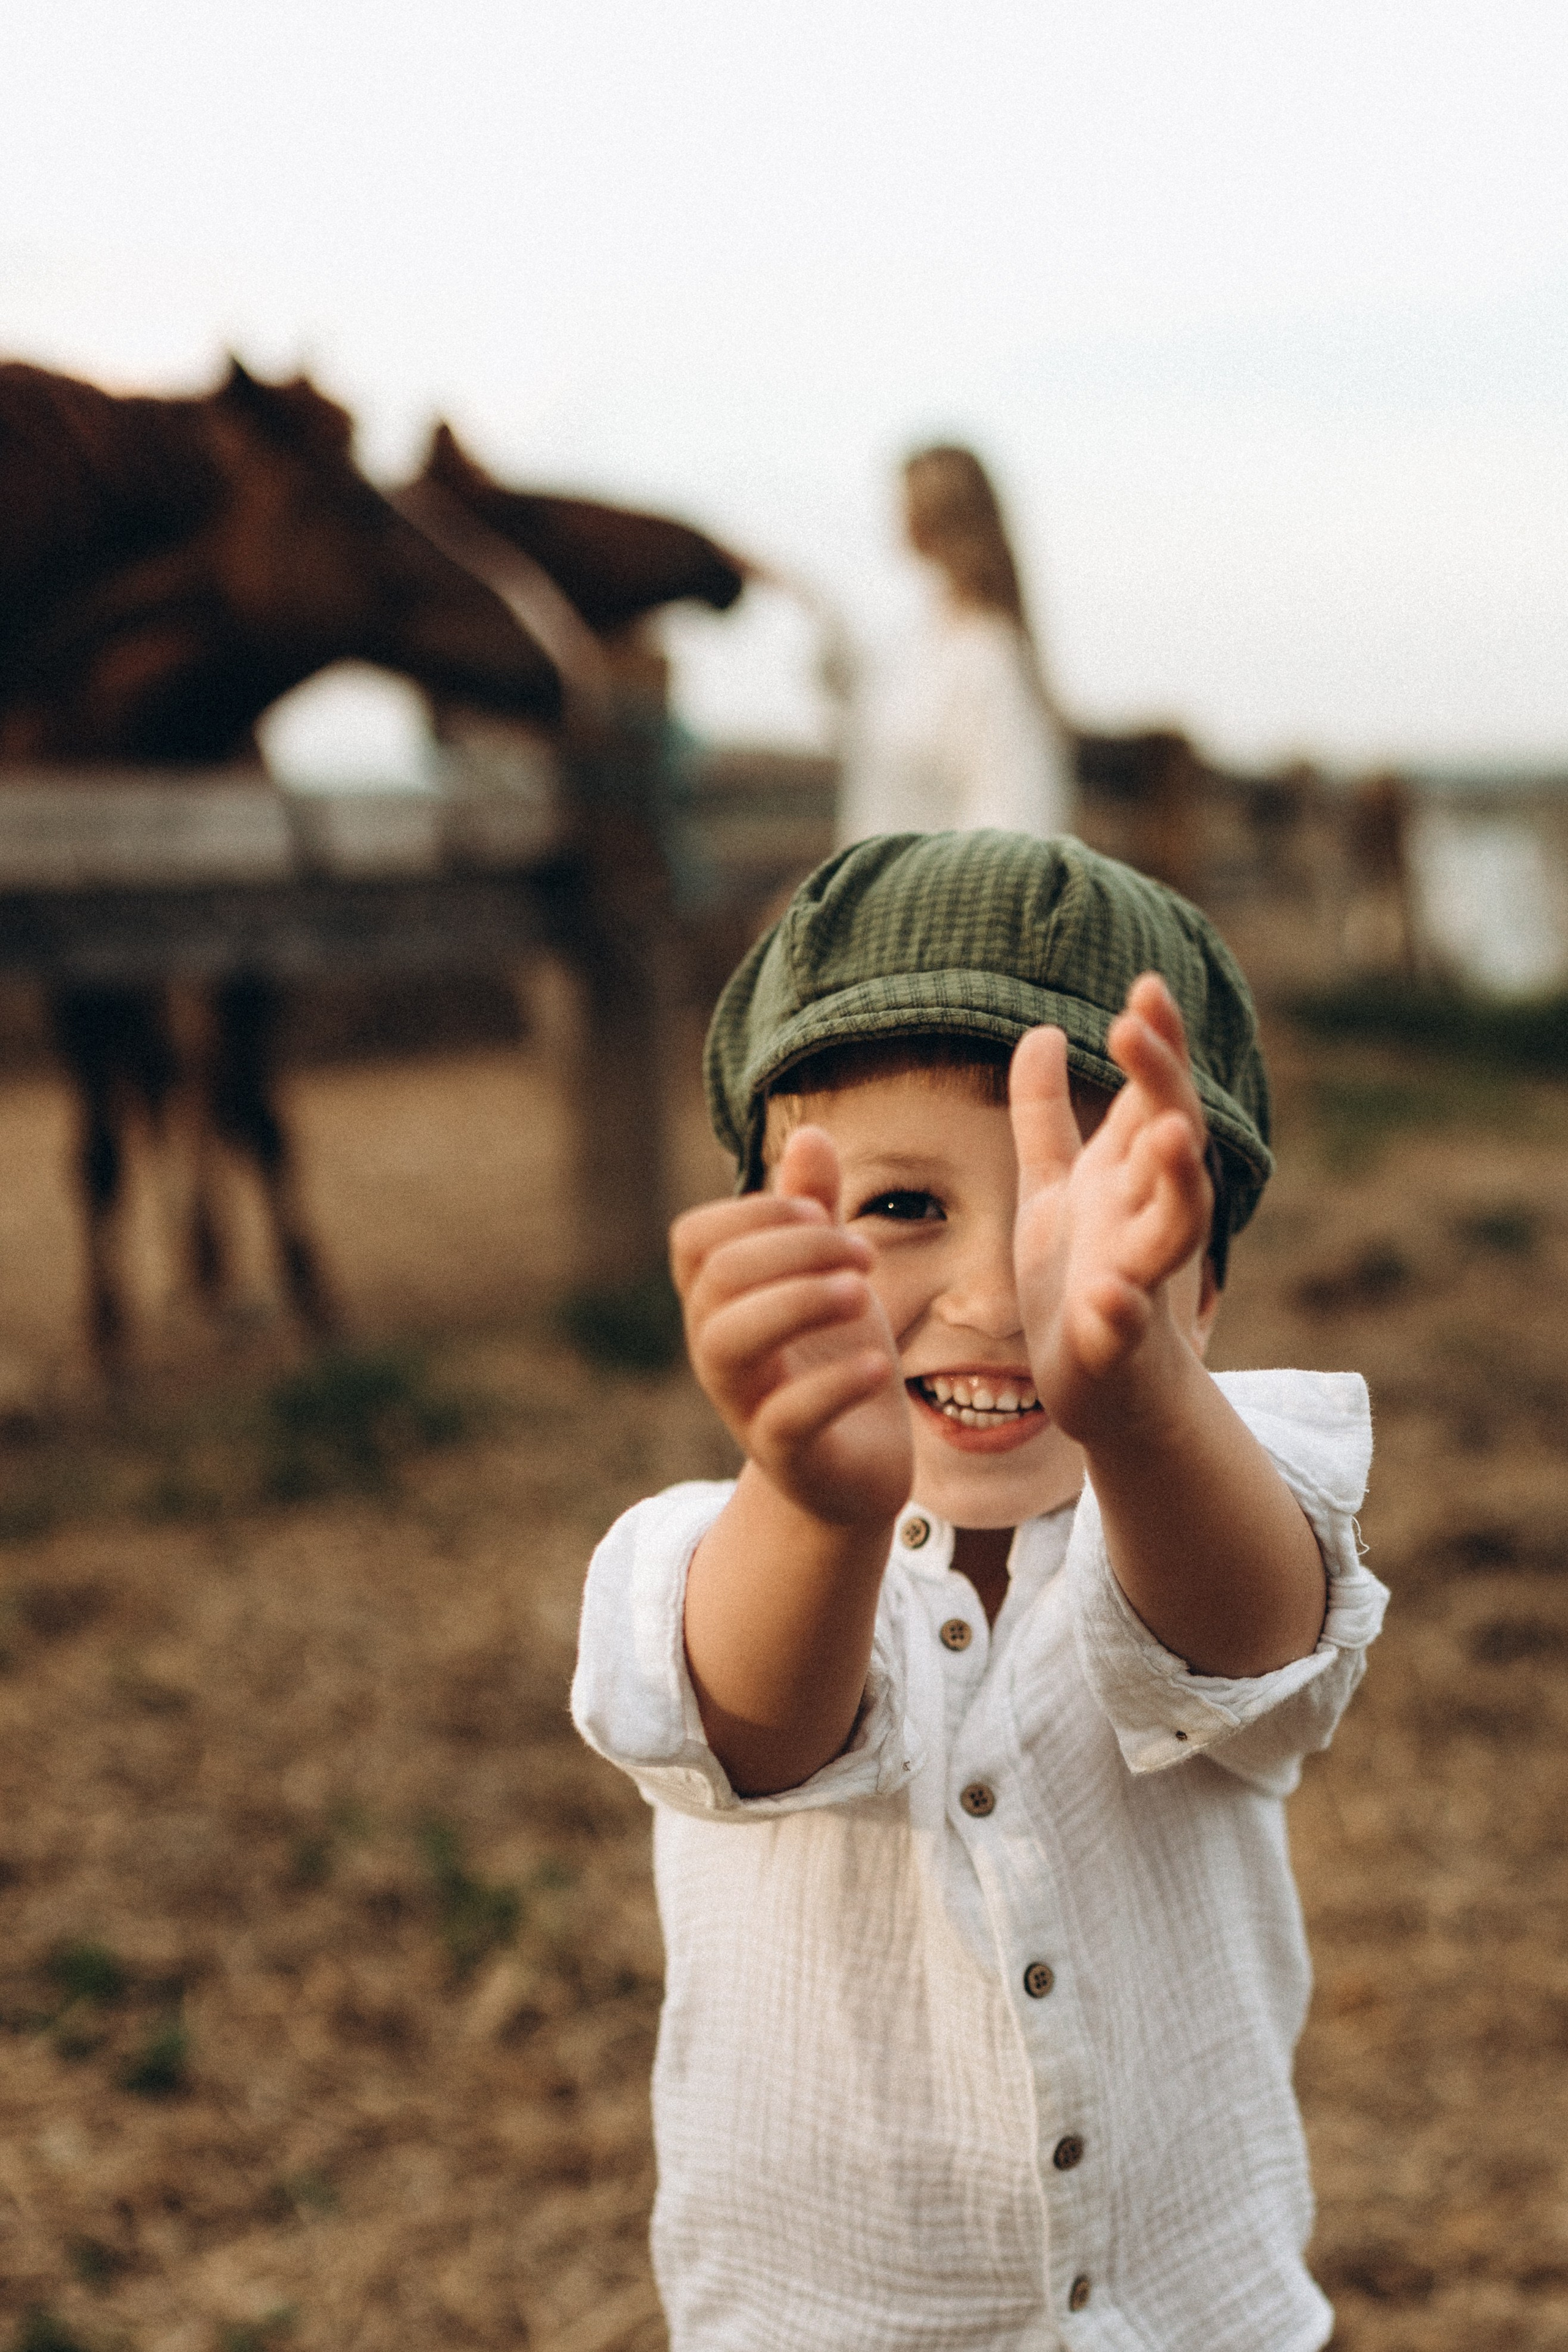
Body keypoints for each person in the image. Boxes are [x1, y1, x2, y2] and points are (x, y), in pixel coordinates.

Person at [572, 829, 1385, 2351]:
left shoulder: (1225, 1498)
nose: (995, 1288)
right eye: (899, 1206)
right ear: (772, 1247)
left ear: (1200, 1288)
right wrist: (816, 1505)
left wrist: (1135, 1396)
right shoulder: (702, 1551)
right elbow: (757, 1731)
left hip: (1196, 2316)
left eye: (1071, 1211)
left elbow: (1245, 1643)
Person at [837, 446, 1077, 845]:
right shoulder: (916, 641)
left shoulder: (987, 656)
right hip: (880, 895)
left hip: (933, 900)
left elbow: (1013, 820)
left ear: (930, 519)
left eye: (904, 505)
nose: (895, 518)